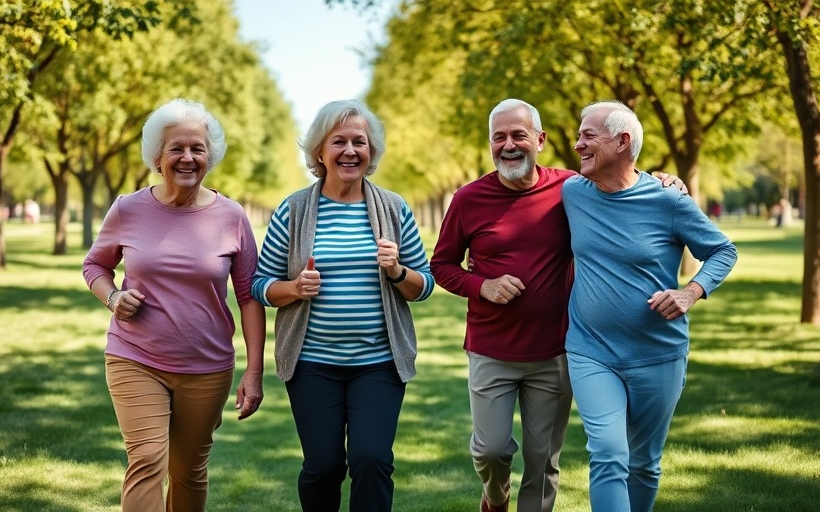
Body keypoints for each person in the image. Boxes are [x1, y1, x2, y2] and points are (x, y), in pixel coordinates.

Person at [250, 99, 435, 512]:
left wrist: (397, 272)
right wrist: (295, 288)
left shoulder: (394, 207)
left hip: (379, 361)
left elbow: (425, 286)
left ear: (371, 152)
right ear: (320, 151)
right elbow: (260, 285)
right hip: (312, 362)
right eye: (339, 142)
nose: (350, 151)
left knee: (372, 460)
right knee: (323, 467)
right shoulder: (294, 209)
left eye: (360, 142)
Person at [82, 98, 266, 512]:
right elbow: (95, 264)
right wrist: (112, 297)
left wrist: (254, 373)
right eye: (176, 149)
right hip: (135, 356)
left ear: (209, 156)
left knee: (188, 472)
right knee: (147, 460)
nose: (187, 158)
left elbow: (249, 296)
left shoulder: (232, 217)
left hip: (207, 366)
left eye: (197, 149)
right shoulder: (128, 209)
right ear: (157, 157)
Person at [563, 100, 737, 512]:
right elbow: (526, 183)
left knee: (644, 463)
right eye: (578, 135)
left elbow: (723, 251)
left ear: (623, 142)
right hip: (591, 351)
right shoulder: (572, 192)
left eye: (588, 135)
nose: (577, 144)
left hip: (658, 353)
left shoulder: (668, 200)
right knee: (607, 452)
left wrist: (690, 292)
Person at [430, 99, 577, 512]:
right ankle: (496, 495)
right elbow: (440, 265)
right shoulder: (468, 199)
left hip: (555, 351)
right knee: (491, 450)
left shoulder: (570, 189)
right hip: (491, 349)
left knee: (542, 462)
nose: (508, 145)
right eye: (499, 137)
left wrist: (663, 180)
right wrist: (482, 285)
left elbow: (622, 187)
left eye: (518, 135)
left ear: (540, 140)